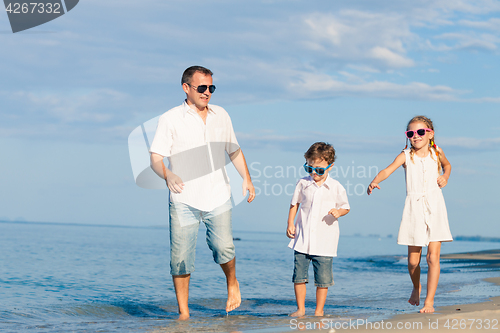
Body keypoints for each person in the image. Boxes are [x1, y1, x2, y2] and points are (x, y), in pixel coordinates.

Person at [149, 66, 256, 320]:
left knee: (223, 248)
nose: (207, 92)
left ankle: (232, 282)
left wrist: (247, 179)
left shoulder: (222, 115)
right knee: (181, 259)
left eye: (211, 88)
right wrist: (168, 174)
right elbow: (155, 157)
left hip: (218, 194)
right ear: (186, 88)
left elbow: (234, 151)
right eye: (202, 88)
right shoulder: (170, 118)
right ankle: (184, 314)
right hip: (183, 198)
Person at [367, 115, 452, 313]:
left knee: (433, 258)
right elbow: (388, 170)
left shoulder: (436, 152)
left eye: (420, 132)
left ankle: (429, 301)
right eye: (411, 133)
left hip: (435, 206)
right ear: (407, 136)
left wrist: (445, 177)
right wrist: (375, 180)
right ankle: (416, 286)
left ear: (430, 133)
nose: (416, 136)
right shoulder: (405, 155)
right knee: (413, 262)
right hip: (414, 208)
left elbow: (447, 166)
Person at [286, 142, 350, 317]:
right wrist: (290, 223)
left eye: (319, 170)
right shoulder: (302, 184)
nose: (314, 173)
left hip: (325, 241)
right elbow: (294, 204)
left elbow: (346, 207)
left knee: (322, 280)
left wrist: (338, 212)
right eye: (310, 168)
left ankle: (319, 311)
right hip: (302, 239)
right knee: (299, 276)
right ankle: (300, 309)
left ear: (330, 167)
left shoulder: (336, 187)